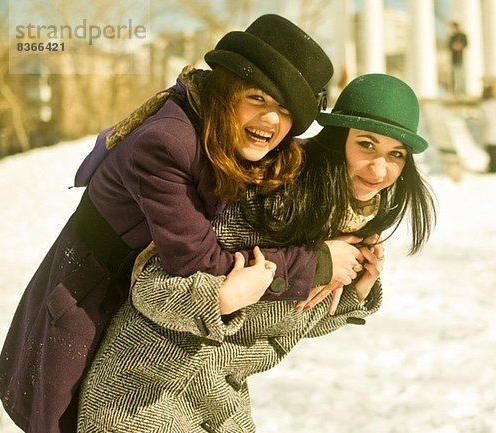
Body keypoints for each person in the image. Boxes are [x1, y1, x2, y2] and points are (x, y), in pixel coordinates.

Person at [0, 14, 365, 433]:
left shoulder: (227, 134)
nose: (269, 121)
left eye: (284, 110)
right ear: (228, 90)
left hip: (152, 326)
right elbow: (199, 260)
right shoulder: (167, 142)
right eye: (258, 99)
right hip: (92, 303)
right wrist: (317, 263)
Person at [76, 73, 437, 432]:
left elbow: (277, 321)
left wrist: (354, 290)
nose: (379, 169)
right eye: (366, 145)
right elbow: (153, 288)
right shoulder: (275, 200)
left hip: (218, 404)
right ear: (338, 139)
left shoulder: (347, 230)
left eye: (396, 154)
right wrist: (221, 297)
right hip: (144, 398)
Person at [480, 84, 496, 174]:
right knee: (494, 151)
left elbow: (483, 119)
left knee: (492, 152)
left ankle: (492, 168)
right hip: (495, 132)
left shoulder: (486, 105)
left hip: (491, 132)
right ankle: (493, 168)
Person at [448, 21, 468, 96]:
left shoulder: (462, 36)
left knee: (461, 74)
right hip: (454, 58)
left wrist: (459, 46)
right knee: (454, 75)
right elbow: (449, 46)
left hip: (460, 58)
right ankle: (454, 91)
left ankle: (462, 91)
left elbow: (466, 44)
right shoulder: (452, 37)